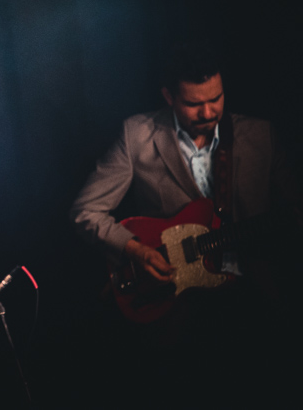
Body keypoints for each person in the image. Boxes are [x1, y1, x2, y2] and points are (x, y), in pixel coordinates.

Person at [69, 41, 300, 404]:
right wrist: (137, 249)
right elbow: (86, 210)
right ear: (168, 96)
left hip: (252, 292)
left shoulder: (262, 136)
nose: (209, 111)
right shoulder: (137, 135)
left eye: (217, 98)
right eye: (194, 103)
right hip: (175, 301)